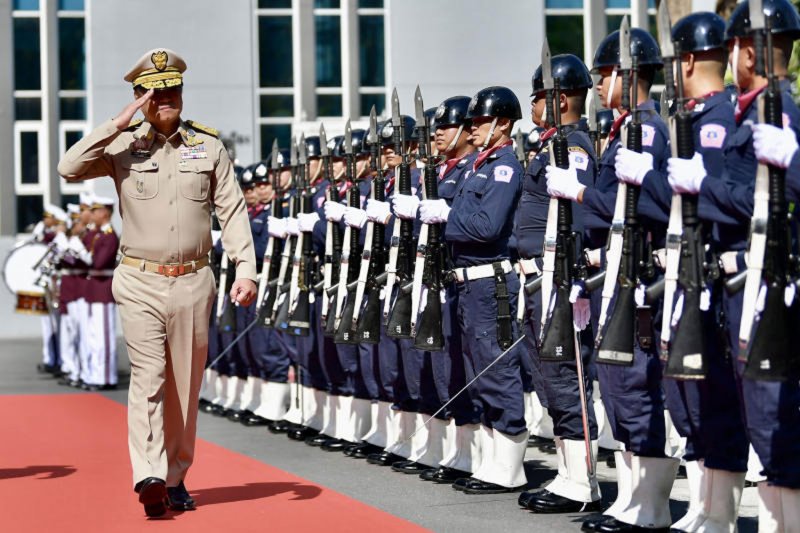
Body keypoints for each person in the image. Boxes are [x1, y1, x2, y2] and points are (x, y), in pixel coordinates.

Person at [57, 47, 257, 518]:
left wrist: (245, 268)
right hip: (139, 280)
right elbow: (69, 167)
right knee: (148, 377)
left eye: (172, 91)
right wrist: (118, 122)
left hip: (193, 280)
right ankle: (148, 473)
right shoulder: (122, 146)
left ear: (182, 94)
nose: (165, 99)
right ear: (140, 97)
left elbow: (231, 210)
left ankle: (174, 477)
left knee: (184, 386)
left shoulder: (208, 146)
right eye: (154, 93)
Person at [670, 1, 800, 528]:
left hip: (769, 279)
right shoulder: (751, 111)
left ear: (747, 51)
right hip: (741, 280)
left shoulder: (779, 112)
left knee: (774, 419)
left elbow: (754, 203)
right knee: (758, 415)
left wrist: (704, 185)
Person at [546, 26, 678, 531]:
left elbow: (645, 207)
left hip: (638, 273)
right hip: (613, 269)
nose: (599, 85)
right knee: (618, 388)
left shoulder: (648, 130)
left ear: (630, 73)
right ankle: (630, 497)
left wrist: (580, 193)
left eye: (605, 74)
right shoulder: (623, 129)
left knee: (635, 386)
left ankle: (651, 505)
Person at [420, 86, 528, 495]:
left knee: (496, 371)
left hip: (490, 283)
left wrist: (446, 214)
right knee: (476, 373)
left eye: (481, 120)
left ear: (503, 124)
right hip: (468, 283)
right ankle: (490, 461)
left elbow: (487, 226)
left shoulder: (504, 167)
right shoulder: (479, 166)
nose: (474, 127)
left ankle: (510, 468)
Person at [516, 53, 602, 514]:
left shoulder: (574, 147)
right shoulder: (553, 143)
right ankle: (567, 474)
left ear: (560, 99)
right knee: (550, 379)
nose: (533, 105)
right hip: (539, 277)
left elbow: (581, 217)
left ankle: (582, 482)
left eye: (538, 97)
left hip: (558, 276)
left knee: (567, 377)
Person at [67, 195, 120, 391]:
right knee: (93, 337)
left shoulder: (109, 236)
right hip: (93, 290)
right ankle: (95, 375)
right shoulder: (98, 235)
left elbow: (98, 264)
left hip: (102, 290)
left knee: (104, 337)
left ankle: (106, 377)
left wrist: (80, 251)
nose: (91, 214)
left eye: (95, 210)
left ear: (105, 213)